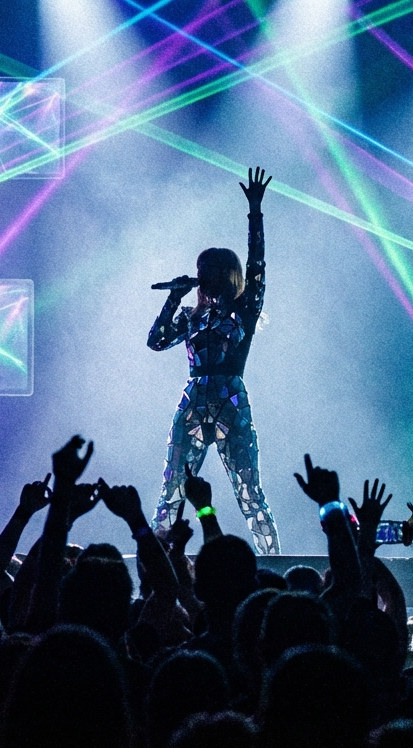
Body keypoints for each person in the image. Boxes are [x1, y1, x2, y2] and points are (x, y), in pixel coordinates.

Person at [147, 166, 279, 554]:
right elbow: (155, 342)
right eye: (199, 270)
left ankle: (272, 562)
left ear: (225, 275)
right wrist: (174, 296)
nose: (200, 276)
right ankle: (157, 562)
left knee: (248, 490)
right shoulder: (191, 316)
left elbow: (257, 267)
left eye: (207, 271)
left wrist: (255, 212)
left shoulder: (244, 312)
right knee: (172, 486)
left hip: (230, 398)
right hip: (194, 399)